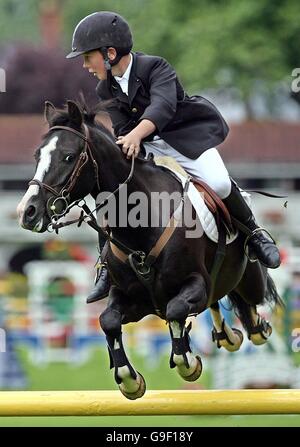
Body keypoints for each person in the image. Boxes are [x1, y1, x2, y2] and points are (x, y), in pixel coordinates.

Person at [66, 11, 281, 303]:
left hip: (185, 139)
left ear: (110, 53)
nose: (84, 65)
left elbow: (163, 107)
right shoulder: (105, 87)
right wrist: (125, 146)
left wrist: (135, 135)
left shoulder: (155, 67)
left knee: (218, 183)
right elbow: (122, 127)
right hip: (148, 147)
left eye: (87, 57)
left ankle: (255, 234)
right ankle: (106, 266)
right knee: (113, 194)